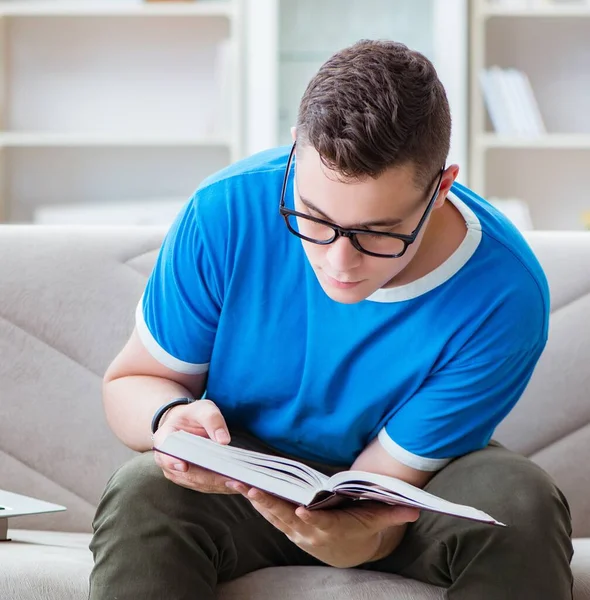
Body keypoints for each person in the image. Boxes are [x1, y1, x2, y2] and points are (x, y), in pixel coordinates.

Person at [89, 40, 573, 599]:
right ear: (295, 152)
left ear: (440, 188)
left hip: (403, 502)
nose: (337, 262)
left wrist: (348, 541)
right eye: (313, 218)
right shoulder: (225, 211)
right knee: (143, 489)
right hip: (242, 480)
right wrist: (168, 418)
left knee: (518, 500)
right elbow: (131, 383)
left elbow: (383, 495)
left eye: (377, 232)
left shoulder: (505, 293)